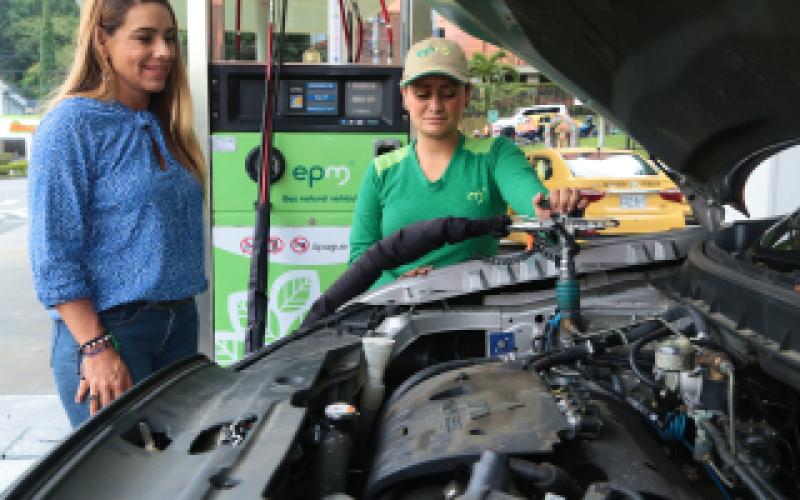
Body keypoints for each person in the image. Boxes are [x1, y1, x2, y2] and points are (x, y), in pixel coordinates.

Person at [28, 0, 206, 427]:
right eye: (144, 38)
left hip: (178, 324)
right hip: (111, 335)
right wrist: (96, 349)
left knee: (176, 482)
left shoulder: (163, 123)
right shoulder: (70, 127)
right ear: (102, 42)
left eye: (169, 38)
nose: (163, 51)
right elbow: (53, 257)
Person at [349, 38, 586, 287]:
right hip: (393, 316)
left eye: (448, 93)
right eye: (422, 94)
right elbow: (359, 258)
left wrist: (551, 210)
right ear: (404, 97)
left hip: (476, 313)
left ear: (467, 95)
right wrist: (397, 288)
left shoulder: (495, 155)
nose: (436, 106)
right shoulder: (381, 171)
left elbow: (531, 199)